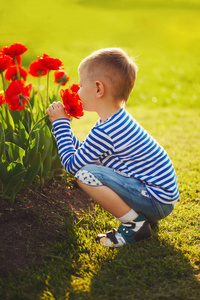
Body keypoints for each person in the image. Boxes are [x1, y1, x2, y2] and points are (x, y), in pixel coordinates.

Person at [46, 48, 179, 248]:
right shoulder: (115, 121)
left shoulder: (106, 130)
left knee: (85, 175)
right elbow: (85, 155)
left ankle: (136, 226)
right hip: (160, 196)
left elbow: (73, 166)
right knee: (88, 169)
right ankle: (142, 218)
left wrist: (61, 125)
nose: (77, 91)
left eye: (81, 85)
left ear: (99, 89)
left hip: (156, 200)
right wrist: (62, 129)